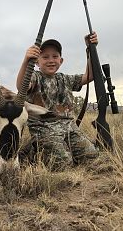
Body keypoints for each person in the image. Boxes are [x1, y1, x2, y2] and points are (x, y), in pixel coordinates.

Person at [16, 32, 99, 170]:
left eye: (55, 56)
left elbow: (89, 76)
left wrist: (91, 49)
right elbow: (21, 86)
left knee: (92, 157)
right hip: (44, 131)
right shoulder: (35, 77)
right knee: (63, 165)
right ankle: (32, 151)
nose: (51, 60)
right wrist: (26, 60)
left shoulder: (65, 79)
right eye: (45, 57)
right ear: (37, 61)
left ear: (61, 61)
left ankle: (48, 149)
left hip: (69, 129)